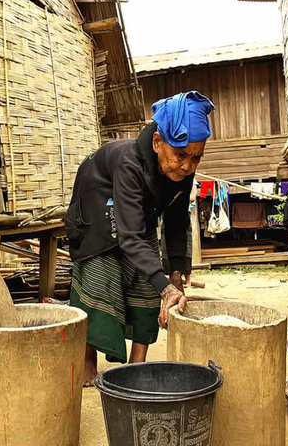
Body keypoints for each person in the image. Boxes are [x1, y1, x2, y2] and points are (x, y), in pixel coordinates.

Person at [67, 91, 215, 386]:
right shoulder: (129, 164)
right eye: (181, 155)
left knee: (149, 281)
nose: (188, 166)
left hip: (138, 211)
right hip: (97, 200)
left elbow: (176, 218)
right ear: (158, 142)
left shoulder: (182, 170)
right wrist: (166, 288)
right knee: (100, 272)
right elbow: (129, 236)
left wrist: (176, 268)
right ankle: (87, 359)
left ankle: (136, 364)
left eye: (196, 157)